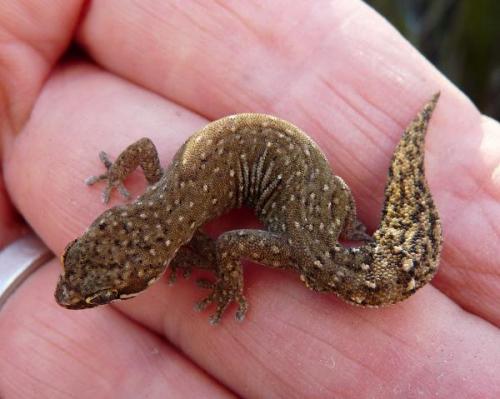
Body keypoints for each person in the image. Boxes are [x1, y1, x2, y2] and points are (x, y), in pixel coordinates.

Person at [0, 1, 499, 397]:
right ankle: (350, 225)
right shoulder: (162, 190)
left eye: (105, 290)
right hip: (320, 197)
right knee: (315, 226)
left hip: (299, 214)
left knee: (267, 245)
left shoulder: (182, 215)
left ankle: (346, 230)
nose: (72, 295)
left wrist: (227, 283)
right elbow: (146, 152)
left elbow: (230, 243)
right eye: (94, 283)